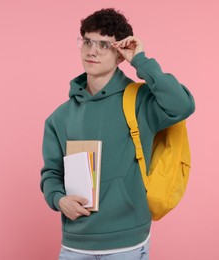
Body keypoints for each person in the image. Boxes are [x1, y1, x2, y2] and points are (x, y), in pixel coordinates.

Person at [40, 8, 195, 260]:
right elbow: (51, 174)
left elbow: (183, 105)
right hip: (75, 246)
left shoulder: (141, 101)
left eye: (104, 45)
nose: (92, 51)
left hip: (127, 244)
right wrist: (59, 200)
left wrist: (140, 61)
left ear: (119, 53)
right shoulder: (59, 117)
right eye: (88, 42)